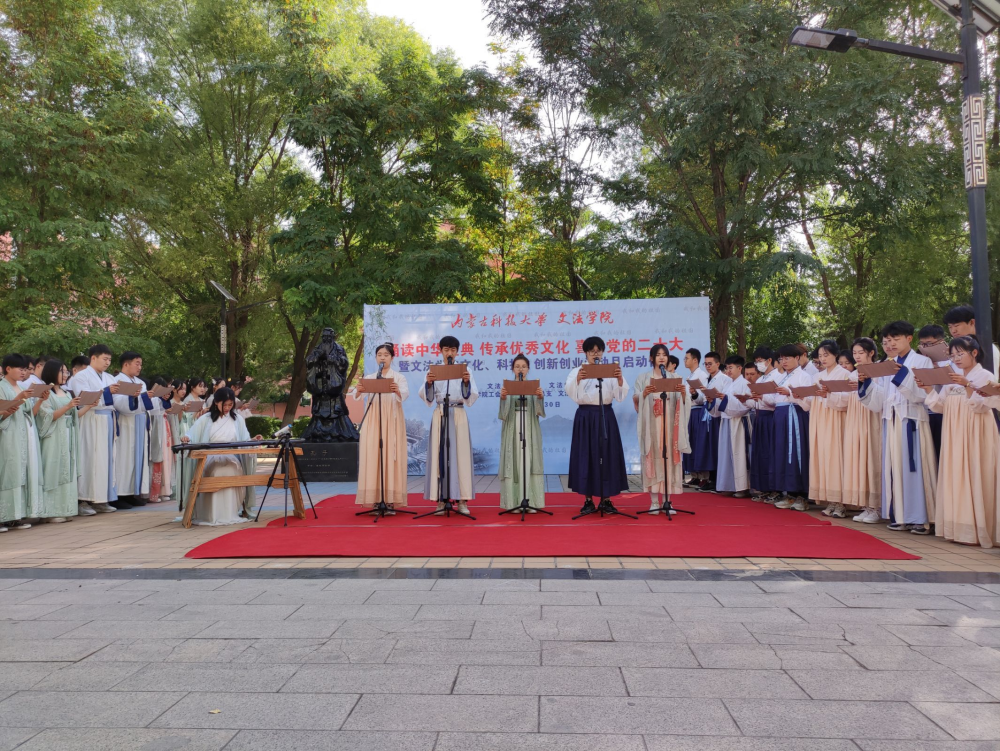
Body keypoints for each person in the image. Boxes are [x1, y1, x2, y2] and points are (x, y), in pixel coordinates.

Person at [921, 336, 999, 548]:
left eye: (960, 354)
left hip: (976, 431)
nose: (956, 358)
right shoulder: (952, 378)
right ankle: (959, 528)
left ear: (974, 353)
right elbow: (940, 406)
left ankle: (980, 529)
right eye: (952, 355)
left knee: (976, 473)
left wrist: (968, 386)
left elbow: (982, 406)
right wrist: (928, 389)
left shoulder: (985, 376)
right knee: (956, 474)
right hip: (954, 433)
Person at [859, 321, 937, 534]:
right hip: (890, 420)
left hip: (912, 421)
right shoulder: (885, 364)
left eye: (896, 339)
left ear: (909, 338)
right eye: (887, 340)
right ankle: (899, 515)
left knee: (914, 469)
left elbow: (922, 394)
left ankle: (920, 518)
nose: (891, 344)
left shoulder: (922, 361)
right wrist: (867, 382)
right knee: (893, 468)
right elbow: (878, 400)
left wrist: (902, 374)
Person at [179, 387, 262, 525]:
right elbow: (192, 434)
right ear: (216, 402)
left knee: (234, 470)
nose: (227, 408)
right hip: (210, 456)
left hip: (231, 456)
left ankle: (230, 512)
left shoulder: (238, 419)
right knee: (216, 471)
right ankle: (211, 514)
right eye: (225, 405)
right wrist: (187, 438)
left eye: (230, 405)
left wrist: (253, 441)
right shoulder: (205, 419)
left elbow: (245, 440)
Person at [566, 336, 630, 514]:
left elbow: (620, 394)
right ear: (585, 353)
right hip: (585, 416)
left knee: (607, 455)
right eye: (592, 351)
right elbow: (570, 391)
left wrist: (619, 379)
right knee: (586, 455)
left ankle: (606, 499)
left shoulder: (609, 369)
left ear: (602, 352)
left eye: (598, 350)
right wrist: (577, 379)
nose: (595, 354)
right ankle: (588, 500)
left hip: (605, 415)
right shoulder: (577, 370)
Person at [420, 335, 478, 515]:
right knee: (440, 456)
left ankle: (462, 500)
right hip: (440, 413)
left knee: (460, 456)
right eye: (446, 350)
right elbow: (426, 396)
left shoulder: (465, 370)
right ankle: (441, 499)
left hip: (458, 412)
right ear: (441, 351)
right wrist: (429, 383)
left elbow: (472, 395)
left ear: (457, 352)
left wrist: (466, 382)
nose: (449, 353)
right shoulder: (434, 370)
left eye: (453, 350)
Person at [352, 343, 410, 512]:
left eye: (386, 355)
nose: (382, 357)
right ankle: (375, 499)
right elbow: (357, 396)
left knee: (391, 457)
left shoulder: (399, 377)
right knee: (373, 456)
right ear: (376, 358)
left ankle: (390, 499)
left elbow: (405, 395)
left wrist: (397, 390)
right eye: (379, 355)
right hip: (373, 420)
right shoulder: (370, 377)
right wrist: (359, 389)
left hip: (392, 420)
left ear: (392, 357)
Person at [634, 343, 690, 513]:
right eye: (658, 355)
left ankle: (668, 501)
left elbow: (684, 402)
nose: (661, 358)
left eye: (664, 355)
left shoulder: (675, 377)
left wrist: (683, 394)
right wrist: (643, 394)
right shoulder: (643, 378)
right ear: (651, 358)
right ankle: (654, 502)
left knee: (669, 461)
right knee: (652, 458)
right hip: (652, 425)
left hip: (670, 425)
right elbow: (636, 398)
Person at [37, 359, 88, 522]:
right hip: (53, 436)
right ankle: (50, 512)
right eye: (62, 371)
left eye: (66, 372)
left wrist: (89, 406)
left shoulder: (66, 392)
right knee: (53, 469)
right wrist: (68, 406)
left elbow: (74, 416)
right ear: (52, 372)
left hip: (67, 434)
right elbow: (47, 417)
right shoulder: (46, 393)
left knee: (67, 469)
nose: (65, 374)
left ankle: (65, 508)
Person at [73, 344, 121, 515]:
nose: (107, 363)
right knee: (90, 458)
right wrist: (106, 392)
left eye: (109, 360)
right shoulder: (81, 376)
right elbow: (84, 398)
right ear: (93, 358)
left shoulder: (109, 377)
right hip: (91, 419)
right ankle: (83, 500)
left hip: (107, 419)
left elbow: (116, 399)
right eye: (104, 359)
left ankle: (101, 499)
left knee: (106, 460)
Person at [807, 342, 852, 517]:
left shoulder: (845, 374)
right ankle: (830, 500)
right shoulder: (817, 376)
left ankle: (840, 502)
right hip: (820, 418)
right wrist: (799, 396)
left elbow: (847, 399)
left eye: (826, 355)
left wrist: (829, 395)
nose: (823, 359)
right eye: (820, 356)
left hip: (836, 418)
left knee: (836, 457)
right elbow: (811, 401)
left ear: (835, 354)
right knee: (823, 457)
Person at [767, 344, 814, 511]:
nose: (784, 361)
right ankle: (789, 493)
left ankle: (802, 495)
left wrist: (791, 394)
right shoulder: (782, 377)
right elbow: (774, 399)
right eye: (782, 359)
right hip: (781, 416)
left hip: (794, 416)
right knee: (782, 453)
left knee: (795, 453)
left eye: (787, 358)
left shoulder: (804, 376)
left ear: (797, 358)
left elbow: (809, 401)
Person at [498, 354, 546, 511]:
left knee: (528, 460)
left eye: (524, 367)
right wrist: (503, 398)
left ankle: (530, 501)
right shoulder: (508, 386)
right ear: (513, 369)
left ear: (528, 369)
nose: (520, 369)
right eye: (517, 366)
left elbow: (539, 412)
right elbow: (503, 414)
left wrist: (540, 397)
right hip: (513, 427)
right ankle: (513, 502)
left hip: (529, 426)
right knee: (514, 461)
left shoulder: (533, 386)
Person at [0, 354, 42, 531]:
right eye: (20, 368)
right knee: (8, 472)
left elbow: (30, 412)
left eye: (25, 369)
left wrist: (41, 399)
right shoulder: (1, 387)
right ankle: (3, 516)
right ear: (8, 369)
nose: (23, 372)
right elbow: (3, 411)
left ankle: (15, 515)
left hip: (24, 432)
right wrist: (19, 398)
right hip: (8, 433)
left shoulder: (22, 387)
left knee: (21, 472)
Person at [844, 338, 883, 523]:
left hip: (871, 417)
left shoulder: (878, 371)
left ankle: (877, 506)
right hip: (856, 418)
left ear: (871, 353)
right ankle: (865, 505)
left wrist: (866, 384)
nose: (857, 356)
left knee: (872, 458)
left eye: (861, 352)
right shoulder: (853, 374)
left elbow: (882, 394)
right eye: (854, 353)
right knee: (859, 460)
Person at [112, 352, 152, 509]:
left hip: (138, 423)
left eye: (141, 364)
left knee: (136, 459)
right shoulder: (116, 381)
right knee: (124, 458)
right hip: (124, 423)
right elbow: (118, 403)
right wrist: (133, 397)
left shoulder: (140, 382)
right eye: (137, 363)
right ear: (126, 364)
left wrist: (148, 397)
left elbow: (144, 405)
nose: (140, 367)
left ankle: (131, 493)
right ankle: (119, 494)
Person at [688, 351, 731, 492]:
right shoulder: (707, 379)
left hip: (717, 416)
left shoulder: (725, 379)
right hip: (706, 414)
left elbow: (726, 398)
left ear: (718, 364)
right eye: (705, 364)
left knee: (716, 446)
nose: (707, 366)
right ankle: (710, 478)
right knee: (707, 447)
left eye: (710, 364)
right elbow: (701, 400)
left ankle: (717, 479)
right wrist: (695, 394)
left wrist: (714, 399)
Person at [710, 355, 751, 498]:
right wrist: (712, 400)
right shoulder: (728, 384)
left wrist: (726, 399)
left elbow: (745, 406)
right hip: (726, 420)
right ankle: (728, 485)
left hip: (738, 422)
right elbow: (719, 406)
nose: (728, 371)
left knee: (739, 455)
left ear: (739, 368)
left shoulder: (745, 384)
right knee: (726, 454)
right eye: (727, 368)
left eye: (731, 368)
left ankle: (742, 487)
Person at [747, 346, 778, 503]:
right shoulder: (760, 379)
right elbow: (756, 401)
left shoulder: (777, 376)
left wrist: (761, 397)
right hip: (759, 416)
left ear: (769, 360)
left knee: (769, 453)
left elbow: (775, 401)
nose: (758, 364)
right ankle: (763, 488)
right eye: (756, 361)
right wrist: (748, 399)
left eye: (760, 361)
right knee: (759, 453)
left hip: (770, 417)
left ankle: (774, 489)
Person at [918, 323, 952, 461]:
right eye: (922, 344)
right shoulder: (921, 360)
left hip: (944, 411)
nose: (925, 348)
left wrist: (938, 371)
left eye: (929, 344)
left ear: (941, 342)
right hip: (926, 411)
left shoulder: (953, 359)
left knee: (942, 451)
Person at [943, 304, 1000, 379]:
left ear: (972, 322)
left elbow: (991, 381)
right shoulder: (953, 350)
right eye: (950, 327)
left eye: (956, 326)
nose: (953, 331)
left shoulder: (988, 348)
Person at [682, 348, 710, 488]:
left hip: (698, 411)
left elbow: (702, 398)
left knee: (699, 443)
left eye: (687, 358)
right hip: (689, 412)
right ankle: (694, 475)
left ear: (695, 360)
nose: (685, 361)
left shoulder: (702, 376)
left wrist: (694, 394)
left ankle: (704, 476)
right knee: (691, 442)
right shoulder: (689, 377)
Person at [147, 376, 174, 504]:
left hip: (163, 427)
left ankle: (163, 490)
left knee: (165, 459)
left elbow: (165, 408)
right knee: (156, 458)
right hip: (156, 429)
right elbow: (154, 411)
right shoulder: (151, 398)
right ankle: (153, 493)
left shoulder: (159, 399)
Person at [166, 379, 187, 501]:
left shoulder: (182, 403)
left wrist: (181, 411)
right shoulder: (170, 402)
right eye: (181, 389)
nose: (183, 391)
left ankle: (181, 487)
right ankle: (173, 488)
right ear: (174, 389)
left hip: (181, 431)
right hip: (173, 433)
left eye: (185, 389)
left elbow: (180, 420)